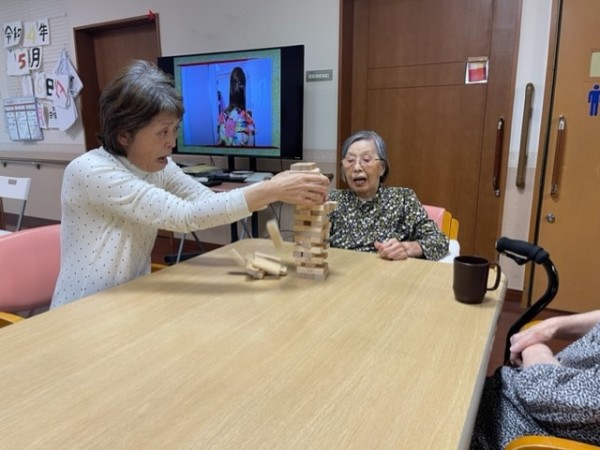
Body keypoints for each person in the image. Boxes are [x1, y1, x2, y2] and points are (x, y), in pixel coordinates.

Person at [50, 60, 329, 309]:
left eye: (175, 129)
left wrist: (272, 190)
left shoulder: (160, 165)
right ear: (124, 135)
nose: (171, 142)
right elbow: (184, 216)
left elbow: (206, 201)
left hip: (130, 299)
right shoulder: (91, 171)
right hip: (83, 308)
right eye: (162, 132)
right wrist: (271, 189)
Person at [470, 310, 600, 449]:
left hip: (523, 429)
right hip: (520, 385)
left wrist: (532, 346)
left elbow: (543, 392)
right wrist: (551, 326)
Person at [328, 130, 449, 261]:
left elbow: (439, 240)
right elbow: (312, 241)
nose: (357, 167)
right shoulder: (333, 200)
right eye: (350, 160)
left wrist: (406, 248)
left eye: (366, 159)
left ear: (382, 167)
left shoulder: (403, 199)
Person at [216, 66, 255, 146]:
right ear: (244, 89)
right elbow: (251, 148)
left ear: (231, 88)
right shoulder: (248, 120)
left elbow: (219, 142)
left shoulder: (222, 116)